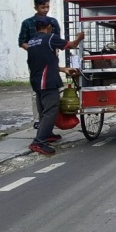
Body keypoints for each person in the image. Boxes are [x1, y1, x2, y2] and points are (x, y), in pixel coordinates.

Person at [27, 18, 84, 156]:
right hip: (47, 81)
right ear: (48, 27)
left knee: (43, 110)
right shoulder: (50, 38)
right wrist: (79, 38)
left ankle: (47, 134)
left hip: (36, 80)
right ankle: (39, 142)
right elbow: (72, 45)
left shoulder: (32, 41)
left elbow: (43, 61)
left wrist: (63, 69)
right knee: (51, 111)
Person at [19, 0, 64, 135]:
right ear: (36, 7)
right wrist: (35, 50)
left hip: (50, 60)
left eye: (47, 7)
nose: (45, 10)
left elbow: (57, 40)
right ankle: (39, 121)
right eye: (43, 7)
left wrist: (52, 51)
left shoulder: (53, 22)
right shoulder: (27, 23)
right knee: (37, 92)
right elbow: (22, 42)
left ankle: (48, 128)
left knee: (51, 89)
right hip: (35, 61)